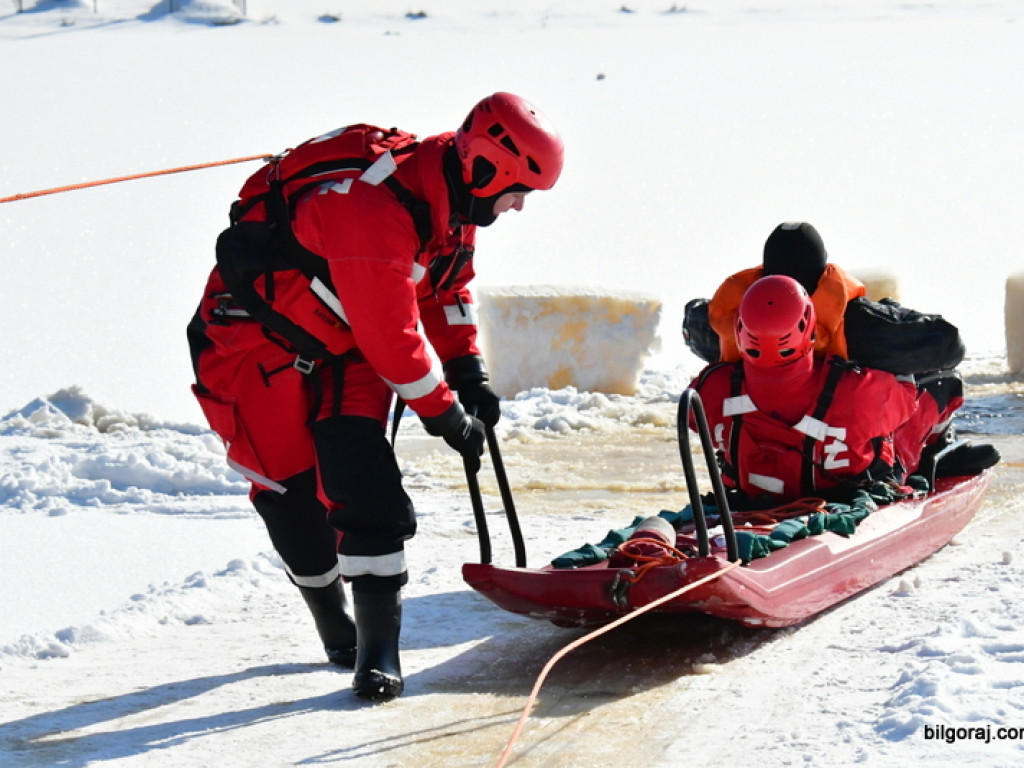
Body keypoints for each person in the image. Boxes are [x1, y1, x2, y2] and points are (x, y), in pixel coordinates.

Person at [187, 93, 564, 701]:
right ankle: (332, 621)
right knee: (289, 491)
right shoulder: (373, 212)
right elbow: (394, 339)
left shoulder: (454, 193)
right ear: (487, 169)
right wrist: (446, 415)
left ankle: (377, 650)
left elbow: (447, 284)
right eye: (519, 191)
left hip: (349, 343)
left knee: (363, 479)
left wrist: (469, 371)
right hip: (255, 343)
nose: (519, 206)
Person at [683, 221, 997, 478]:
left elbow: (694, 411)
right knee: (942, 381)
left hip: (753, 473)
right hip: (837, 470)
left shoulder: (711, 372)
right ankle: (934, 454)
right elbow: (941, 352)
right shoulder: (858, 376)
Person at [689, 275, 966, 503]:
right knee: (942, 385)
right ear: (811, 327)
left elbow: (693, 420)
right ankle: (939, 452)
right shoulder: (856, 391)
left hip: (747, 498)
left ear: (740, 331)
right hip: (844, 497)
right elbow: (906, 399)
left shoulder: (711, 387)